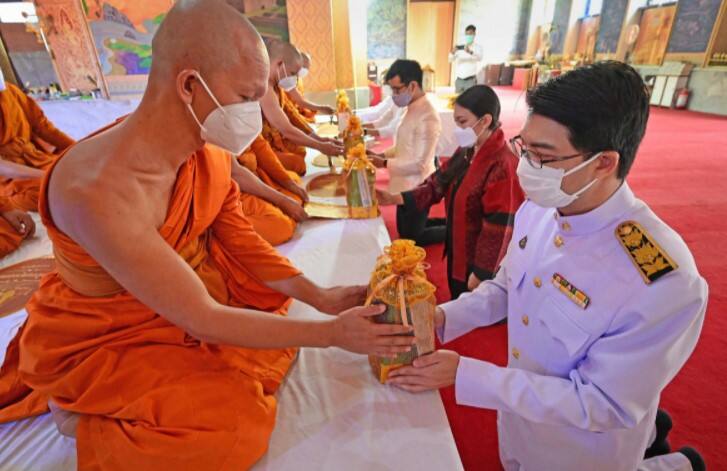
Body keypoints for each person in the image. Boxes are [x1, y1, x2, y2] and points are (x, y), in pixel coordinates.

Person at [0, 2, 414, 469]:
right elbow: (200, 316)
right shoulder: (94, 190)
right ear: (190, 85)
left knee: (269, 336)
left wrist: (319, 296)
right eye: (246, 95)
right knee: (236, 427)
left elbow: (240, 241)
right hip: (102, 337)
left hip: (179, 299)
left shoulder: (208, 152)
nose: (257, 112)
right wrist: (331, 333)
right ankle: (84, 421)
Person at [387, 62, 708, 471]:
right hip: (521, 421)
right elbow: (505, 288)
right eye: (526, 147)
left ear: (604, 163)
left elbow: (602, 403)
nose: (526, 167)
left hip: (580, 449)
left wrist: (469, 376)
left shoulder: (662, 280)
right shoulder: (541, 207)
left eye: (544, 156)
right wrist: (439, 319)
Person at [377, 86, 524, 299]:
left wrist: (482, 274)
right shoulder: (469, 149)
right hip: (459, 246)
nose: (457, 129)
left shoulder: (503, 165)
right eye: (456, 122)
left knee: (472, 310)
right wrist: (394, 198)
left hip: (479, 261)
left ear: (484, 121)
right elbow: (439, 182)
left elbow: (500, 226)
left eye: (462, 122)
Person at [368, 59, 442, 244]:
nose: (394, 95)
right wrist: (382, 155)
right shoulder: (409, 107)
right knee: (406, 229)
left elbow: (420, 164)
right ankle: (448, 223)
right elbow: (403, 146)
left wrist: (383, 163)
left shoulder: (428, 116)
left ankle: (455, 231)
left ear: (413, 85)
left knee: (412, 238)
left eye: (396, 90)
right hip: (403, 180)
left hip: (419, 185)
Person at [260, 39, 342, 176]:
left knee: (299, 152)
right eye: (292, 73)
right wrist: (321, 146)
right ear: (280, 64)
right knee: (298, 165)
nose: (295, 80)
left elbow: (291, 116)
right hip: (258, 149)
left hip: (275, 141)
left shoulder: (276, 85)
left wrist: (319, 139)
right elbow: (286, 129)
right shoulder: (264, 88)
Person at [0, 76, 75, 211]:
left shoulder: (10, 90)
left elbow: (42, 126)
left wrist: (77, 148)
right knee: (53, 192)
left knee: (78, 172)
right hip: (8, 178)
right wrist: (47, 176)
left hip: (37, 159)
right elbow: (2, 167)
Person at [234, 134, 309, 246]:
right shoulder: (211, 129)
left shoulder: (242, 120)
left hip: (253, 177)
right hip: (232, 192)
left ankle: (282, 213)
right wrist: (281, 200)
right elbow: (235, 173)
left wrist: (288, 183)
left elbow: (260, 147)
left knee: (295, 191)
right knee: (282, 226)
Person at [286, 52, 335, 121]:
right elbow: (300, 102)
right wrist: (321, 108)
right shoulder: (286, 79)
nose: (306, 70)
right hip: (288, 115)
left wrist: (311, 110)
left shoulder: (299, 80)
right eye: (305, 67)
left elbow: (300, 102)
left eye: (308, 67)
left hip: (297, 112)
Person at [448, 25, 482, 94]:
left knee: (470, 100)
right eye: (467, 34)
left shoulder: (478, 47)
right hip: (459, 80)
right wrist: (452, 52)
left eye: (470, 34)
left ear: (474, 34)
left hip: (471, 80)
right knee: (458, 100)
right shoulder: (460, 47)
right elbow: (450, 60)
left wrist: (470, 52)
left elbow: (479, 58)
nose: (468, 36)